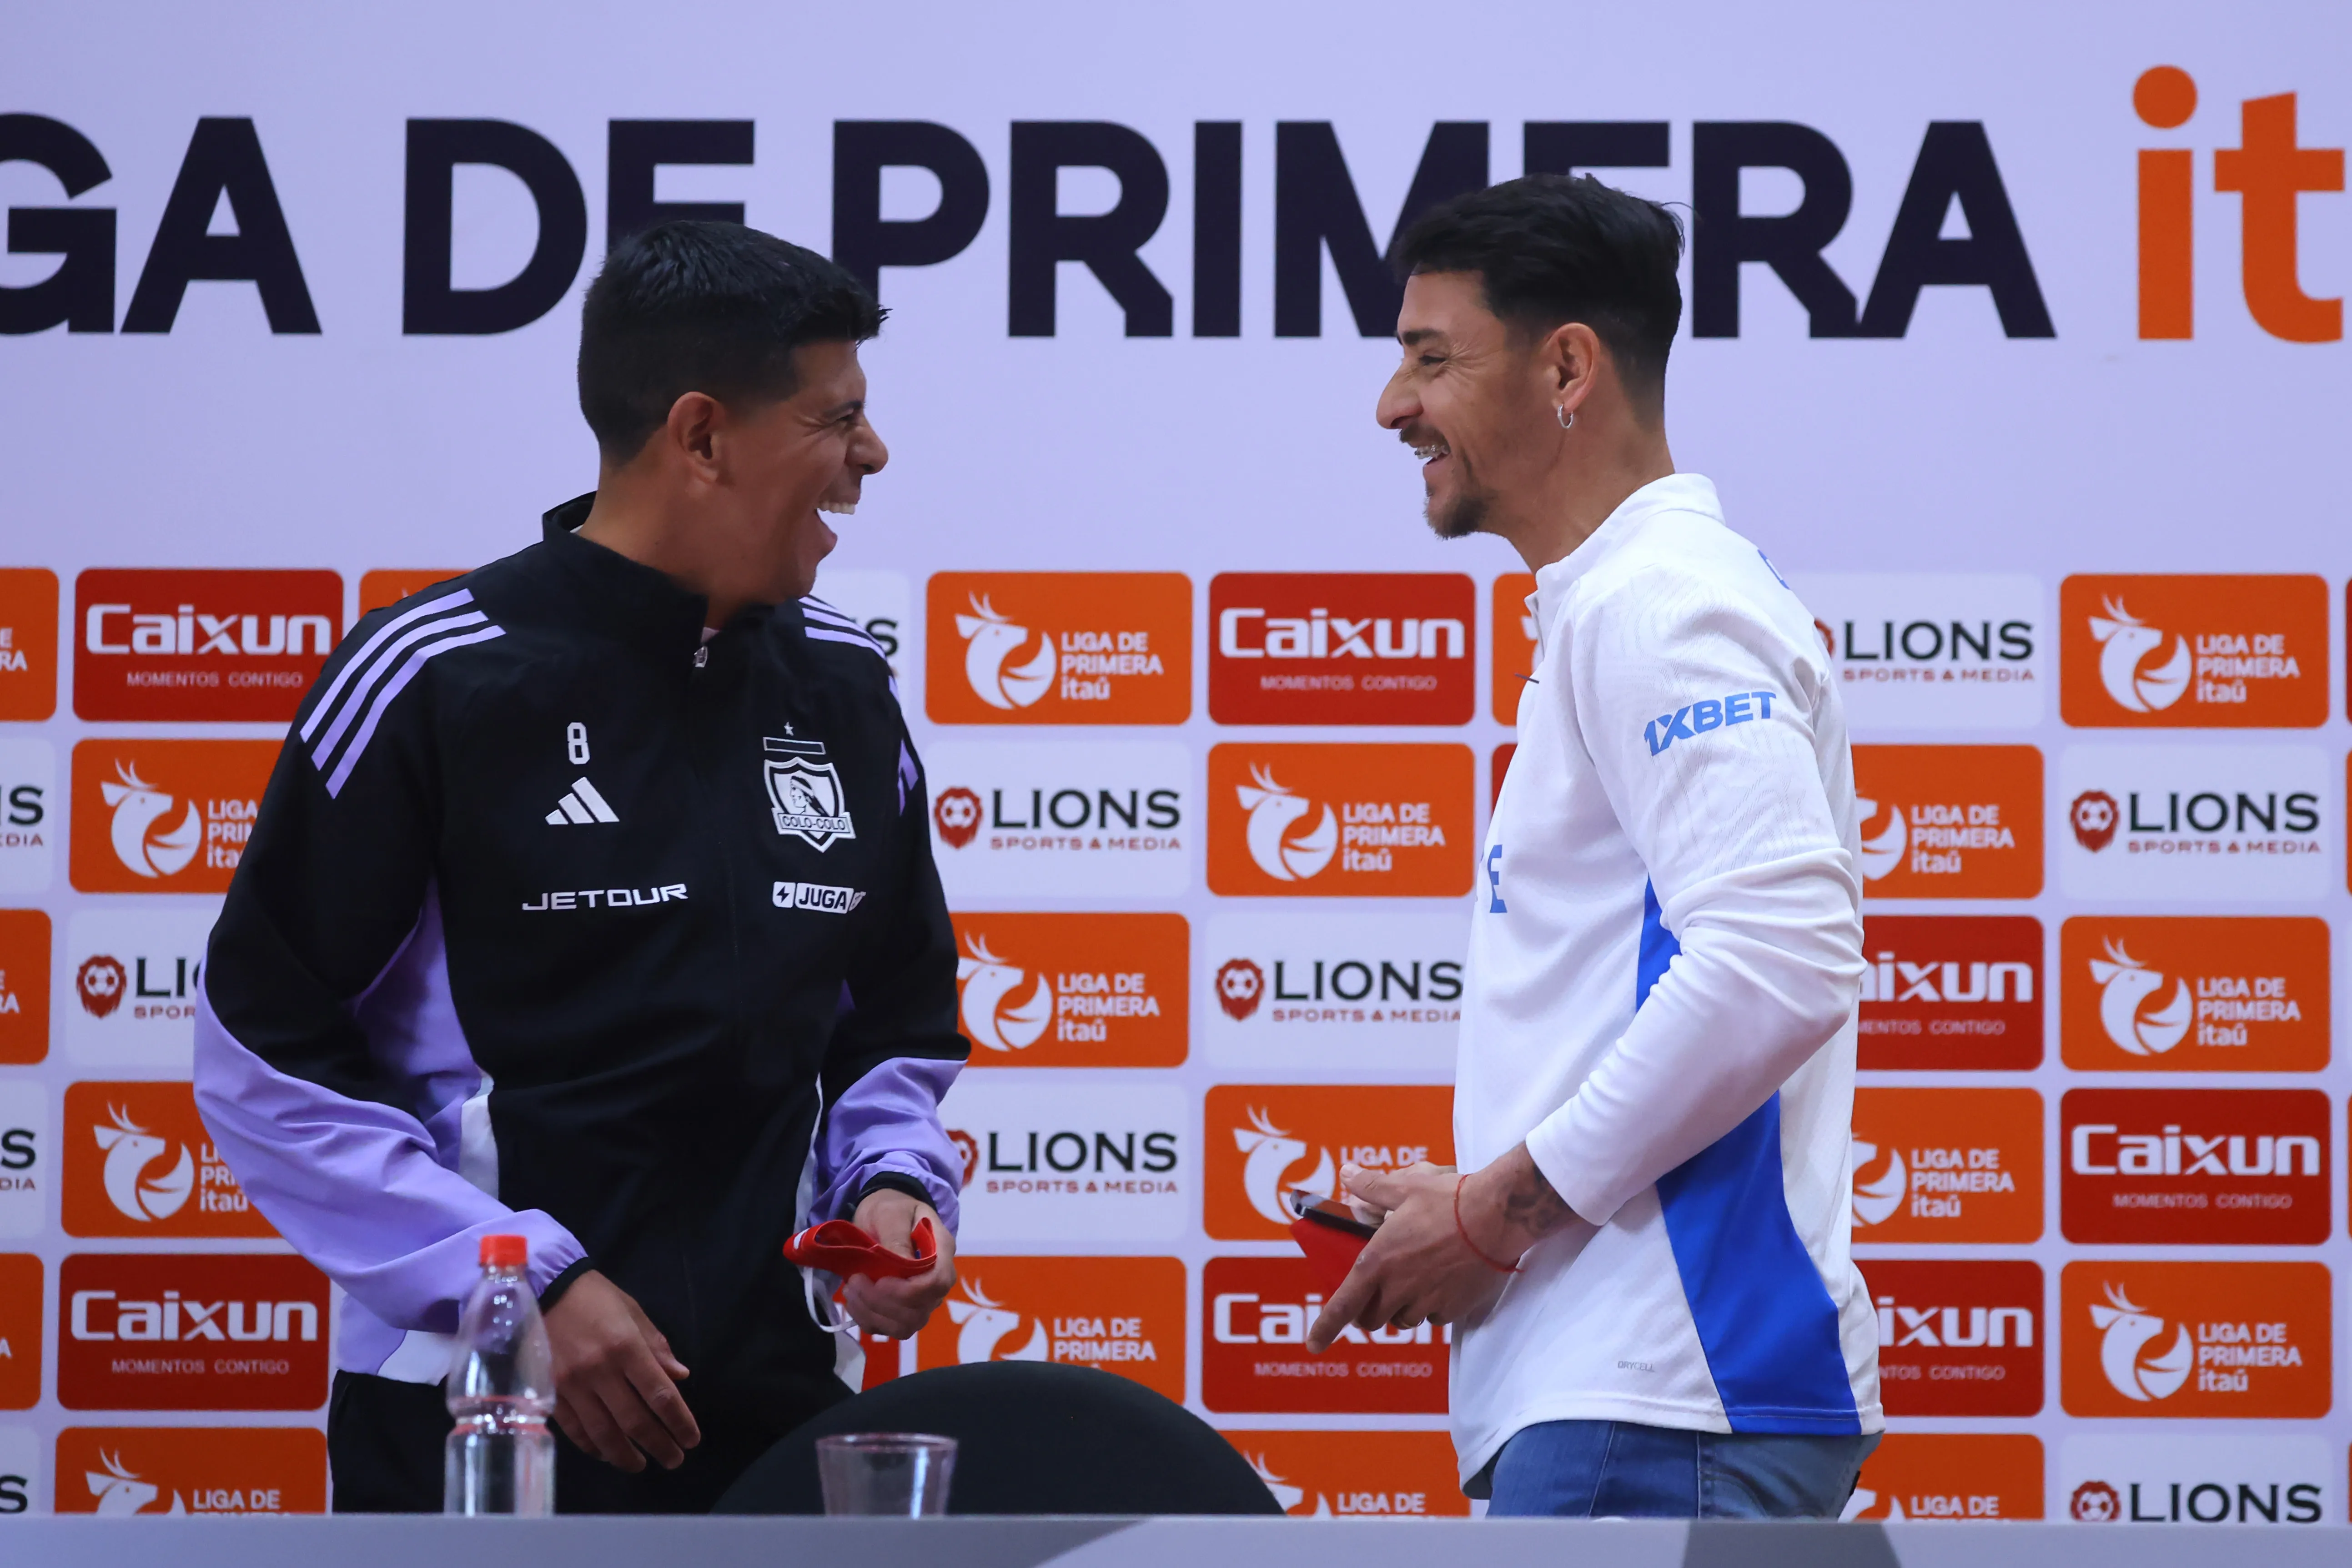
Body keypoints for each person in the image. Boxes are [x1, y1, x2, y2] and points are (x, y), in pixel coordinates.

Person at [194, 220, 968, 1513]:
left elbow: (889, 1030)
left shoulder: (844, 688)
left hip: (777, 1415)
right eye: (838, 419)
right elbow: (263, 1059)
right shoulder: (433, 676)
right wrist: (520, 1278)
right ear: (703, 435)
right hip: (482, 1410)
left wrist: (888, 1188)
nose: (872, 454)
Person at [1306, 175, 1880, 1518]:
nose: (1393, 406)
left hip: (1657, 1403)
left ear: (1568, 365)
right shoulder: (1617, 604)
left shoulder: (1657, 602)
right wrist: (1488, 1187)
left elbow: (1780, 957)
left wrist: (1495, 1213)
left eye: (1430, 358)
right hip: (1645, 1396)